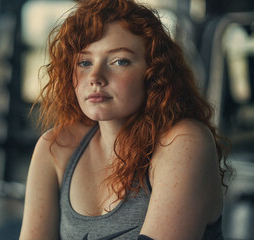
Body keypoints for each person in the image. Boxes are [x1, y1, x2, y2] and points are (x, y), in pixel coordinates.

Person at [19, 0, 232, 239]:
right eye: (84, 62)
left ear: (153, 72)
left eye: (119, 61)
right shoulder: (55, 149)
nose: (95, 77)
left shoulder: (183, 141)